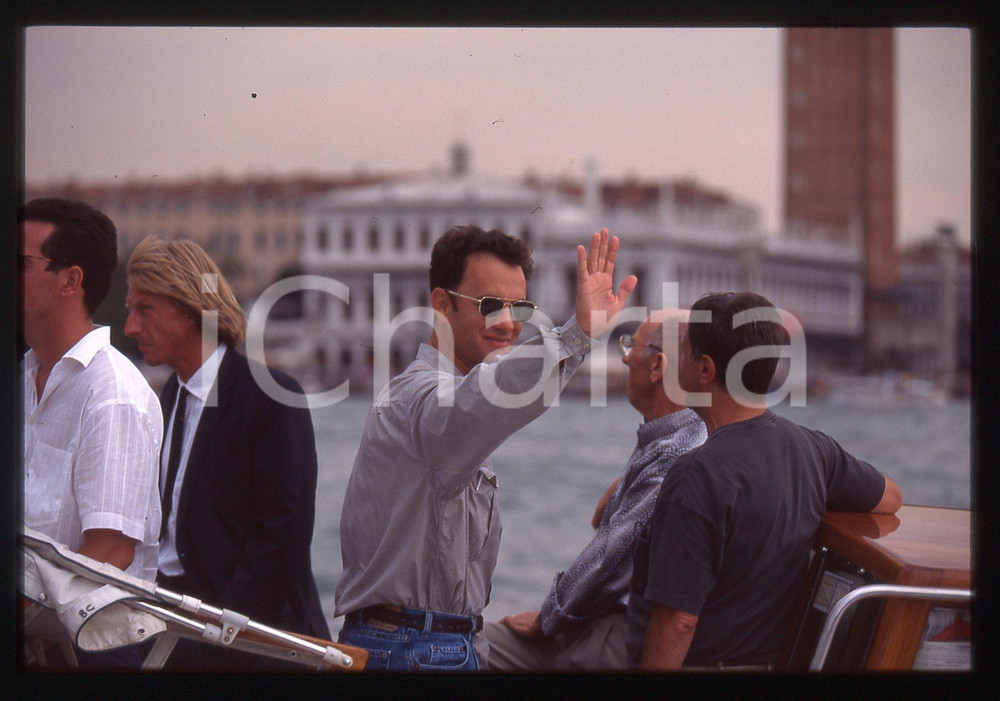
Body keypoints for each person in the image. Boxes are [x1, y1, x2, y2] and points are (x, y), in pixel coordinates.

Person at [334, 225, 637, 671]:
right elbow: (490, 394)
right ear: (442, 303)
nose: (509, 324)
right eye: (491, 306)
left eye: (521, 308)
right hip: (414, 649)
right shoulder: (423, 399)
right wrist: (577, 335)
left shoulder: (446, 398)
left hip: (434, 642)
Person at [627, 291, 903, 671]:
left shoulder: (696, 474)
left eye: (684, 351)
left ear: (705, 369)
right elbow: (891, 497)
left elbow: (678, 621)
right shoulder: (814, 449)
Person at [124, 236, 330, 670]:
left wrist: (215, 631)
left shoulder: (271, 396)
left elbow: (283, 537)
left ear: (189, 309)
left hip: (251, 647)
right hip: (176, 629)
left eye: (145, 309)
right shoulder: (168, 398)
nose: (130, 327)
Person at [485, 309, 707, 670]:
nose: (625, 357)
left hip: (614, 634)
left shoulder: (674, 451)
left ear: (657, 367)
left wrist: (548, 618)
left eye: (631, 345)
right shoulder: (674, 437)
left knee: (467, 650)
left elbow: (610, 560)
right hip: (608, 624)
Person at [20, 198, 162, 669]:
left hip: (87, 651)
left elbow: (110, 550)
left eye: (20, 262)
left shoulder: (113, 394)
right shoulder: (23, 376)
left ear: (70, 281)